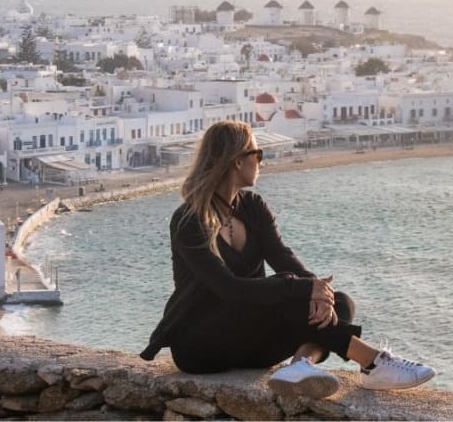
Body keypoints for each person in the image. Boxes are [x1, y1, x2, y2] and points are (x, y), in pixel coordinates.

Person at [141, 120, 434, 398]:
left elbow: (282, 257)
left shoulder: (253, 207)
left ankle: (298, 367)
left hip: (249, 344)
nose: (262, 161)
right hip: (200, 344)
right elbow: (228, 289)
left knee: (340, 302)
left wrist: (320, 291)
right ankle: (373, 363)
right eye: (258, 153)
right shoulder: (190, 219)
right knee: (289, 294)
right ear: (237, 161)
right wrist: (303, 288)